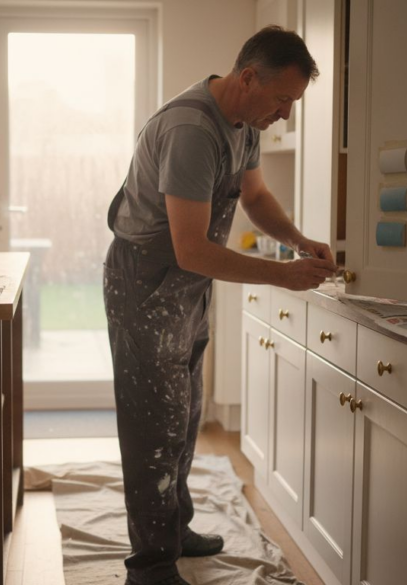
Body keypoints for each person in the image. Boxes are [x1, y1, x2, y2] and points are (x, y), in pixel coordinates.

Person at [103, 25, 338, 585]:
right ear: (248, 77)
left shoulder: (245, 123)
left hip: (185, 283)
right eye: (282, 100)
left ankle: (174, 528)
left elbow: (254, 196)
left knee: (183, 410)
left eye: (292, 104)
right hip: (147, 279)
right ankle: (151, 565)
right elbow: (191, 248)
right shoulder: (191, 131)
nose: (284, 114)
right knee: (151, 424)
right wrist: (283, 275)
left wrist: (298, 240)